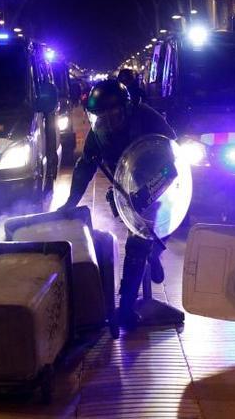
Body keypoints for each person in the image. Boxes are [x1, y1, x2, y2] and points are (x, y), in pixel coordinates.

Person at [58, 79, 176, 327]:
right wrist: (70, 201)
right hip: (127, 184)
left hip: (159, 180)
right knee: (140, 238)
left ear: (127, 109)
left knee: (139, 240)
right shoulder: (99, 132)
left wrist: (147, 193)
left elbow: (171, 165)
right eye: (102, 116)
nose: (108, 122)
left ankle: (126, 307)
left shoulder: (150, 121)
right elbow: (86, 165)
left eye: (114, 115)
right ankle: (151, 256)